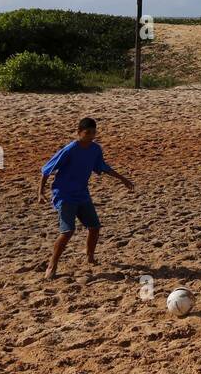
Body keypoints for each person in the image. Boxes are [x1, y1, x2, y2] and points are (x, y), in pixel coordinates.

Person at [38, 117, 134, 280]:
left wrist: (123, 179)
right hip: (64, 194)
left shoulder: (95, 149)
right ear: (79, 133)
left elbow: (103, 167)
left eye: (93, 133)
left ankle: (90, 257)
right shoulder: (69, 149)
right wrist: (40, 192)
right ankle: (52, 264)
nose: (91, 136)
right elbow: (46, 170)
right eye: (87, 133)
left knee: (95, 227)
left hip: (82, 194)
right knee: (68, 231)